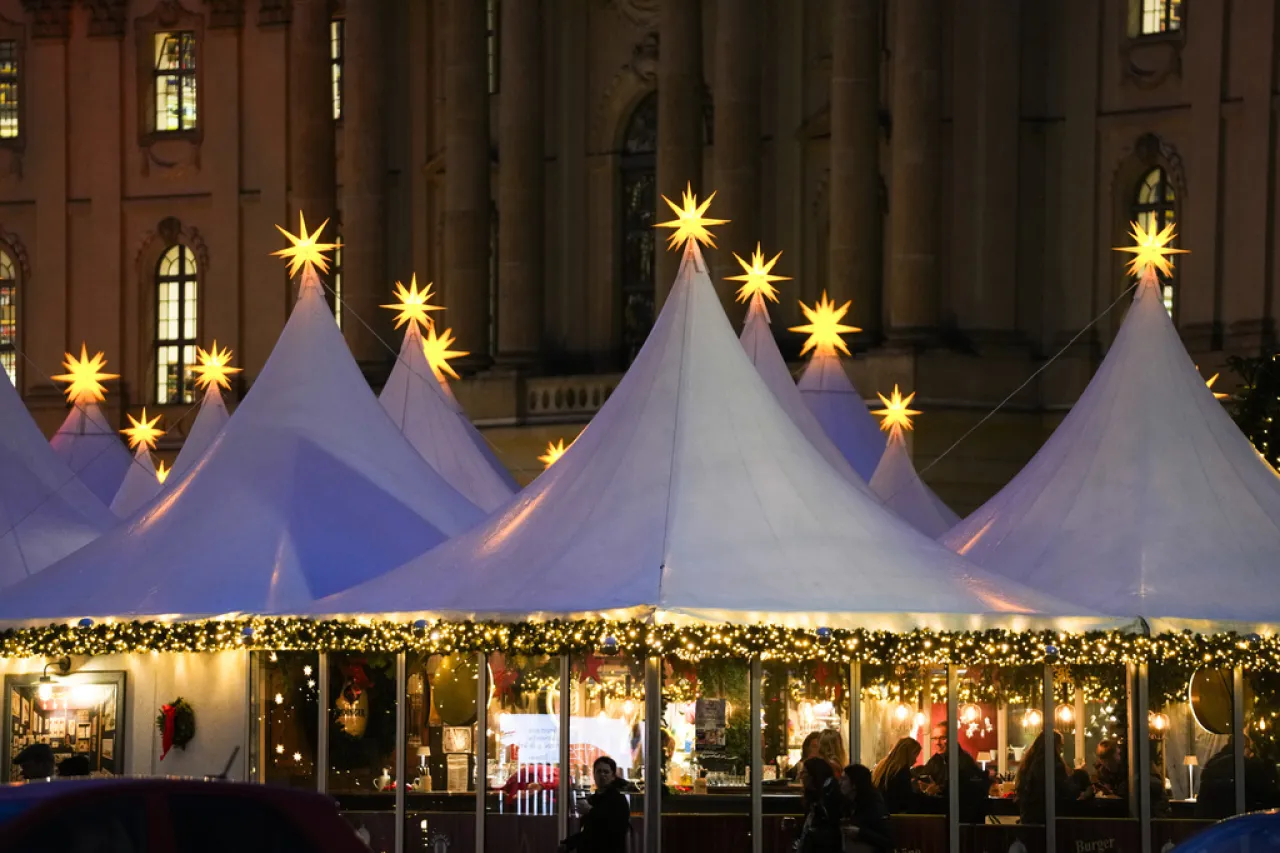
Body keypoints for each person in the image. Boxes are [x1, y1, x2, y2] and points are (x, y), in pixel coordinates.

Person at [559, 756, 632, 853]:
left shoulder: (618, 799)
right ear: (593, 774)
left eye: (606, 772)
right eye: (599, 771)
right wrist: (568, 844)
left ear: (613, 776)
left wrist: (590, 811)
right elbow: (588, 833)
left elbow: (614, 828)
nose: (602, 775)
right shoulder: (593, 799)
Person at [1196, 737, 1280, 819]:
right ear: (1243, 747)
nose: (1251, 753)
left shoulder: (1211, 763)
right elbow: (1266, 793)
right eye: (1250, 749)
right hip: (1237, 820)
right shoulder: (1246, 765)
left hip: (1207, 819)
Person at [920, 722, 988, 823]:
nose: (937, 742)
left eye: (942, 738)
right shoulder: (934, 760)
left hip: (962, 819)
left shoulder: (964, 760)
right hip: (941, 817)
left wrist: (939, 790)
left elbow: (971, 790)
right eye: (935, 738)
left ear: (952, 737)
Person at [1015, 731, 1079, 824]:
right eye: (1060, 746)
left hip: (1028, 820)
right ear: (1054, 747)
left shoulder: (1028, 765)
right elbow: (1069, 792)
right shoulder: (1054, 766)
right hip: (1049, 822)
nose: (1061, 750)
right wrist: (1077, 776)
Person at [839, 764, 893, 853]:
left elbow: (887, 840)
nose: (840, 783)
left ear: (854, 784)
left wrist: (860, 833)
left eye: (844, 779)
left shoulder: (874, 806)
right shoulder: (847, 804)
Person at [795, 757, 844, 853]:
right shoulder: (814, 800)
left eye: (804, 773)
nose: (800, 777)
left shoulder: (828, 799)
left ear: (814, 775)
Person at [870, 737, 922, 814]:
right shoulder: (902, 771)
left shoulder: (883, 766)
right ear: (909, 753)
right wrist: (924, 792)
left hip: (879, 812)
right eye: (915, 755)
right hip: (894, 816)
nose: (915, 760)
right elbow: (906, 801)